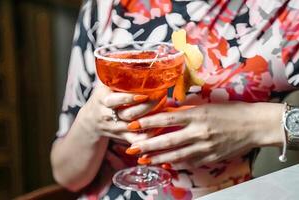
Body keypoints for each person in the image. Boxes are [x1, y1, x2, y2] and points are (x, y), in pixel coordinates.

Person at [50, 0, 299, 199]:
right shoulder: (105, 7)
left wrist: (263, 123)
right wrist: (90, 123)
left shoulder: (283, 13)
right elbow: (68, 177)